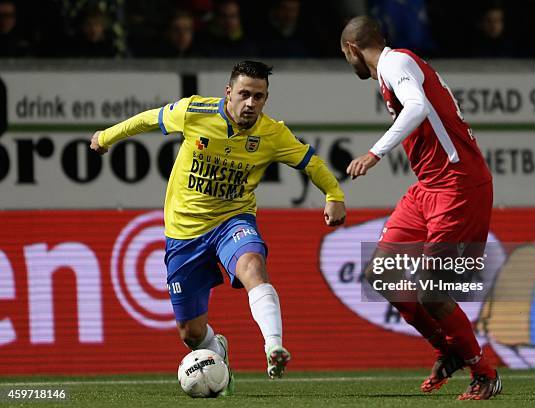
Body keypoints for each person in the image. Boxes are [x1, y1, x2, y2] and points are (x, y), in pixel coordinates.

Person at [89, 61, 346, 391]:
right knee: (191, 333)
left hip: (233, 220)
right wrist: (106, 137)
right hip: (184, 232)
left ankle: (273, 346)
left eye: (259, 96)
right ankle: (215, 347)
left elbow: (310, 161)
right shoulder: (195, 111)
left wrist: (334, 194)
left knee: (252, 265)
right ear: (228, 93)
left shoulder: (272, 133)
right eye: (244, 94)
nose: (251, 103)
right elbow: (148, 118)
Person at [340, 16, 500, 400]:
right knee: (382, 273)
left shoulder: (395, 63)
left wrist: (375, 153)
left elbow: (415, 107)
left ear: (352, 50)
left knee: (431, 291)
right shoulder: (395, 69)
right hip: (429, 188)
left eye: (346, 57)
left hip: (458, 185)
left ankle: (485, 373)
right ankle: (448, 348)